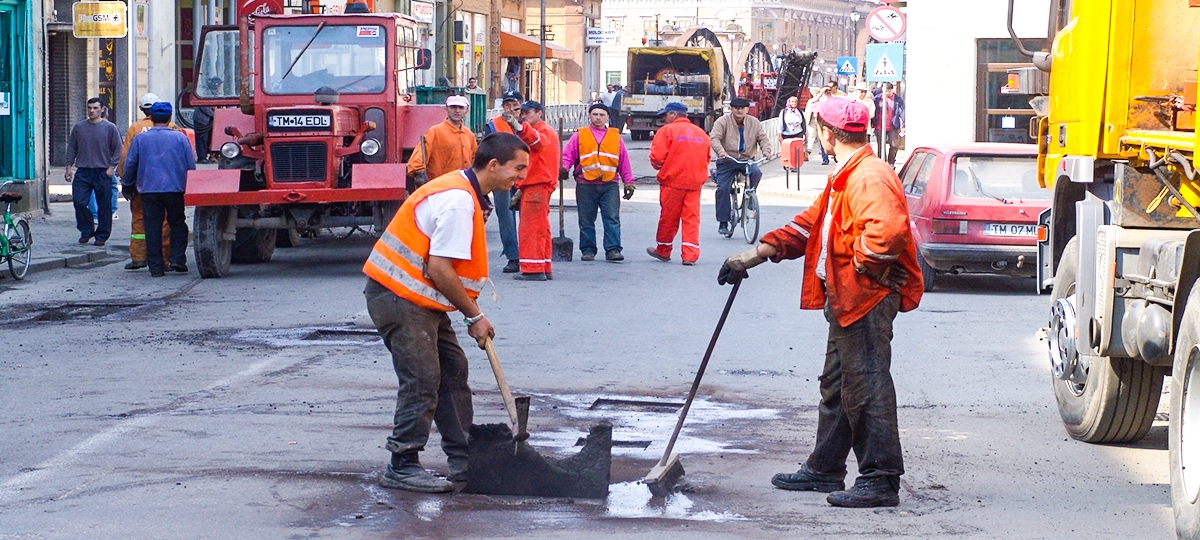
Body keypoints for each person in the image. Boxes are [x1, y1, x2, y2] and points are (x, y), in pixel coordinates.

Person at [717, 96, 923, 509]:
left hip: (864, 298)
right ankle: (825, 468)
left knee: (866, 385)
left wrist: (861, 264)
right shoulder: (845, 174)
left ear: (827, 134)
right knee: (838, 385)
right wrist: (756, 254)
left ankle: (881, 479)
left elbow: (888, 233)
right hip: (848, 297)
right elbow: (810, 226)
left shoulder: (868, 176)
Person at [363, 133, 530, 493]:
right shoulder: (458, 202)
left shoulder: (467, 192)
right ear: (493, 165)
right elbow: (439, 268)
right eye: (518, 168)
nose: (521, 176)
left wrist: (473, 313)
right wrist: (474, 317)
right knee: (423, 379)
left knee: (453, 372)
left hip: (420, 299)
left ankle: (464, 459)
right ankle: (402, 463)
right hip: (398, 296)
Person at [121, 102, 196, 277]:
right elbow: (190, 164)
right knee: (177, 223)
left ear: (151, 117)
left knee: (152, 227)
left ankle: (156, 267)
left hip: (149, 190)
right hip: (175, 189)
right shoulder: (180, 138)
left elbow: (130, 164)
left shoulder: (140, 139)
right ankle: (177, 259)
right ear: (169, 118)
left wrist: (127, 184)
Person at [560, 103, 635, 261]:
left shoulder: (615, 137)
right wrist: (564, 168)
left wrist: (629, 181)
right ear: (589, 116)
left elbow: (623, 161)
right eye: (595, 114)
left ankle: (613, 250)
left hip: (609, 184)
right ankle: (588, 250)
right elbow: (568, 155)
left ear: (607, 117)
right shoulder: (580, 135)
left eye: (602, 115)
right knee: (586, 220)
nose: (598, 118)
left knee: (612, 218)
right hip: (585, 184)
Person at [483, 90, 544, 273]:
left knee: (528, 217)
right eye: (507, 105)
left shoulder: (529, 126)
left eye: (515, 106)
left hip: (526, 176)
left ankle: (529, 256)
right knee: (506, 216)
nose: (511, 109)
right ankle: (513, 257)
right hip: (501, 177)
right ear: (503, 107)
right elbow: (486, 150)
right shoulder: (494, 125)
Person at [646, 102, 711, 266]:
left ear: (674, 114)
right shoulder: (701, 133)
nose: (664, 118)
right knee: (691, 219)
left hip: (673, 181)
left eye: (666, 114)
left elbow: (657, 157)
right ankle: (690, 255)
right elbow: (707, 158)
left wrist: (662, 167)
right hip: (694, 183)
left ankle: (663, 250)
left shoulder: (667, 131)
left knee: (668, 218)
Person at [510, 100, 560, 281]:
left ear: (539, 113)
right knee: (541, 228)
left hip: (537, 185)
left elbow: (538, 141)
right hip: (538, 185)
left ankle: (533, 269)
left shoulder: (542, 131)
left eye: (527, 113)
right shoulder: (546, 130)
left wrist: (520, 127)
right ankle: (543, 266)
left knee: (530, 228)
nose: (523, 116)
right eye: (521, 113)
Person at [709, 97, 770, 237]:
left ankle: (750, 198)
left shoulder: (754, 122)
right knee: (723, 188)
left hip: (747, 159)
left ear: (747, 109)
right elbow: (714, 138)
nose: (739, 111)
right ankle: (723, 222)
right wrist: (721, 152)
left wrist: (766, 151)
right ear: (731, 109)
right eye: (736, 108)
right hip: (727, 160)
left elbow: (763, 138)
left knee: (756, 173)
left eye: (742, 108)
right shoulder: (722, 121)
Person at [66, 97, 123, 247]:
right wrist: (69, 167)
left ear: (102, 109)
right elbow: (72, 148)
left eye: (95, 108)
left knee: (104, 206)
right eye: (90, 108)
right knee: (79, 202)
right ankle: (86, 230)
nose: (92, 111)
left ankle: (102, 235)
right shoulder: (79, 128)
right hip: (83, 171)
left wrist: (112, 167)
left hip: (102, 171)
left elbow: (118, 149)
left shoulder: (110, 128)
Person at [407, 95, 478, 191]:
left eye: (461, 107)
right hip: (440, 188)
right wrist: (420, 174)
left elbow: (475, 161)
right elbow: (417, 160)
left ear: (467, 110)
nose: (457, 110)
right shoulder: (434, 132)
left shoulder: (469, 135)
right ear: (446, 109)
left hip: (463, 187)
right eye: (453, 107)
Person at [806, 81, 842, 165]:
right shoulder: (820, 99)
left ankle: (836, 156)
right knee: (822, 140)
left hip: (832, 121)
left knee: (834, 139)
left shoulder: (834, 98)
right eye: (826, 90)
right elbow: (812, 101)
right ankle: (825, 158)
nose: (828, 92)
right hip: (822, 122)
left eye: (829, 90)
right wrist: (821, 92)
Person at [873, 82, 906, 166]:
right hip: (879, 125)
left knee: (894, 145)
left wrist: (904, 124)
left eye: (889, 91)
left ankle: (891, 162)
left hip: (893, 125)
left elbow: (903, 111)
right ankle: (882, 163)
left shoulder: (897, 99)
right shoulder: (877, 98)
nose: (888, 93)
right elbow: (873, 110)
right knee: (881, 146)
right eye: (886, 91)